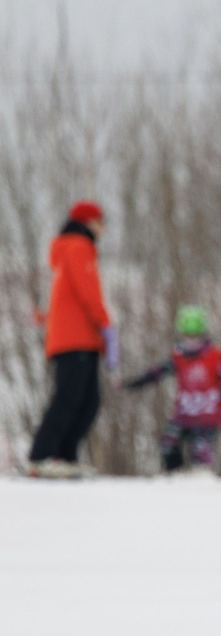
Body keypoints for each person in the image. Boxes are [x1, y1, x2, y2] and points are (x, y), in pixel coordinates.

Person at [28, 201, 115, 476]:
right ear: (89, 222)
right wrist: (106, 325)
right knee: (69, 399)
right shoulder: (78, 247)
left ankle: (64, 456)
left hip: (80, 338)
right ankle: (41, 456)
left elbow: (66, 297)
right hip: (75, 339)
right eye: (100, 222)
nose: (103, 228)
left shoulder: (71, 249)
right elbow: (88, 292)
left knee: (88, 402)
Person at [123, 305, 221, 472]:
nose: (191, 340)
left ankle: (201, 475)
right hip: (184, 414)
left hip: (208, 414)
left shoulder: (216, 356)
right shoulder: (178, 357)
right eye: (187, 335)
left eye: (195, 336)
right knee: (168, 442)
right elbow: (157, 373)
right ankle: (173, 474)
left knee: (200, 447)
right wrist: (134, 383)